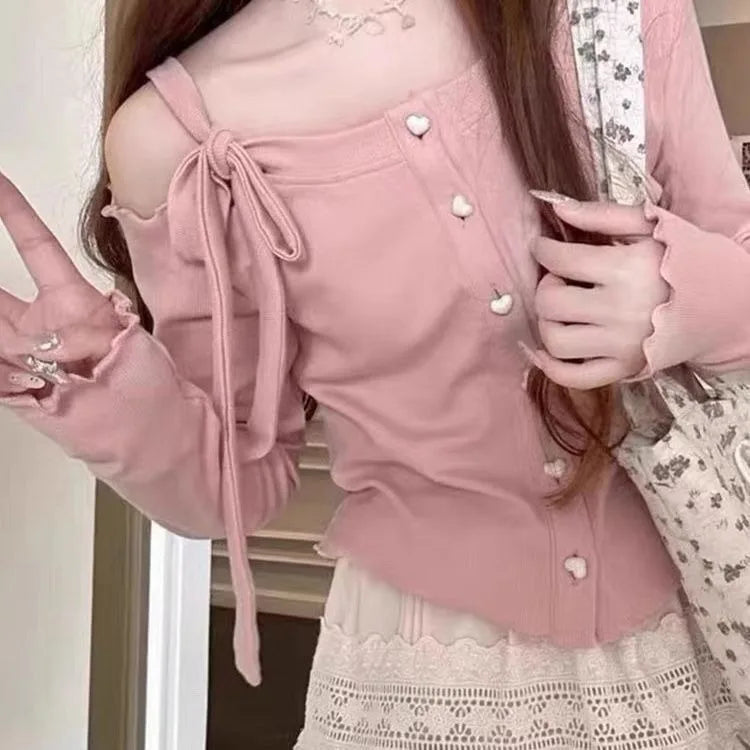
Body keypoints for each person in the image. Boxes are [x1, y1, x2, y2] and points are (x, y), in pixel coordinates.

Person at [2, 0, 750, 746]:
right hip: (415, 686)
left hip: (701, 627)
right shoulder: (173, 134)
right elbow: (234, 484)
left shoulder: (606, 10)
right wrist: (104, 385)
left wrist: (682, 296)